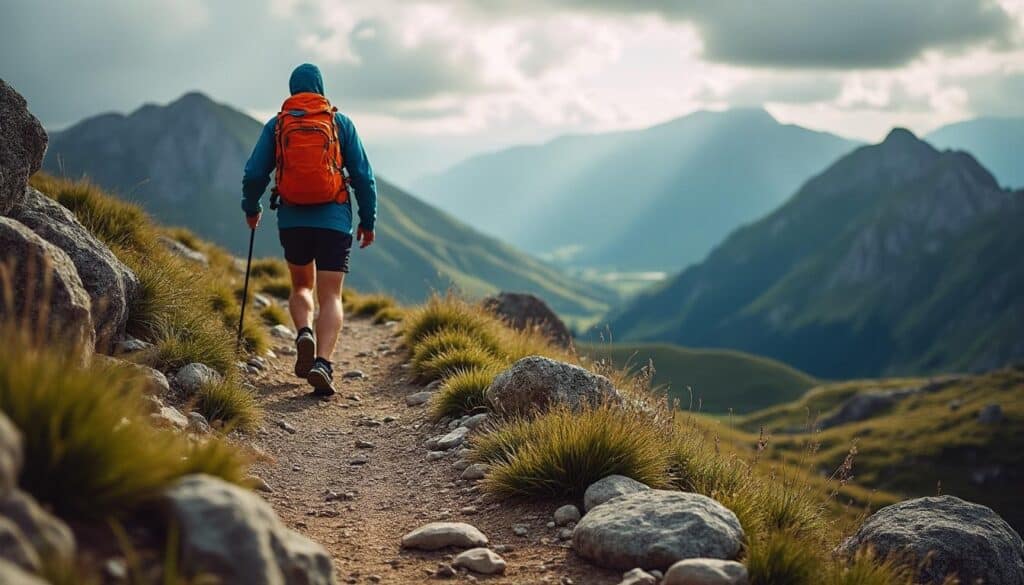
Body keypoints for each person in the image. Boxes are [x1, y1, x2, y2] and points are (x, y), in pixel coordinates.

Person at [241, 63, 377, 396]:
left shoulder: (277, 125)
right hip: (334, 220)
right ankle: (323, 363)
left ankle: (303, 331)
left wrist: (252, 207)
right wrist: (368, 220)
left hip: (293, 219)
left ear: (293, 90)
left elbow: (254, 173)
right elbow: (363, 176)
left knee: (302, 285)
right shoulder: (338, 122)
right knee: (330, 295)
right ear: (320, 88)